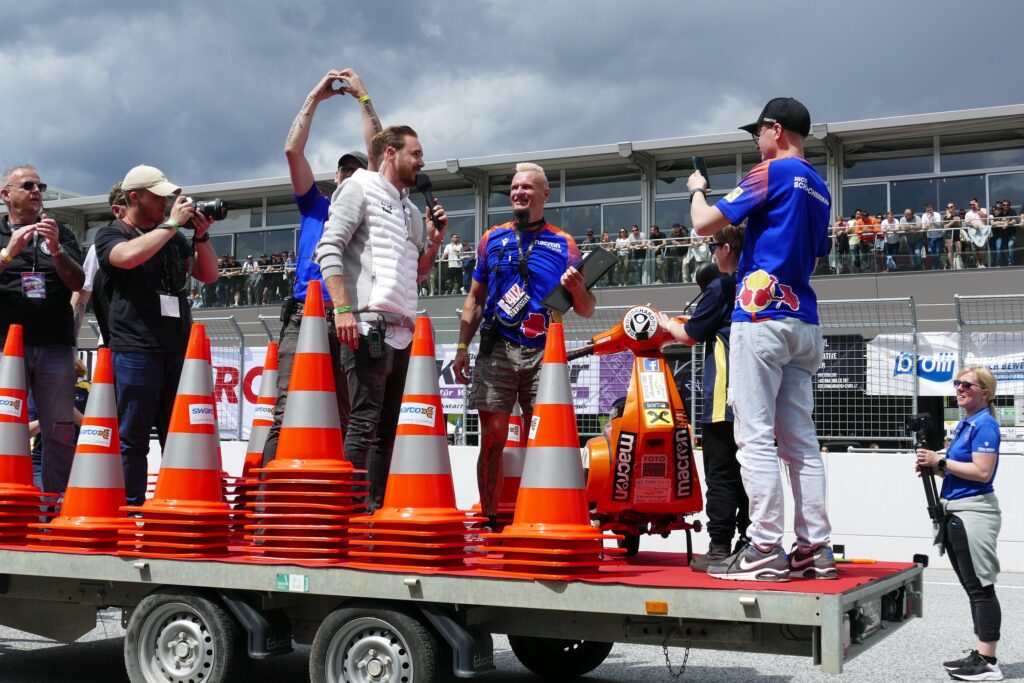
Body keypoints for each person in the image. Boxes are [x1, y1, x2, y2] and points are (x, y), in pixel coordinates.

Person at [687, 97, 834, 582]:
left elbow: (704, 224)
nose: (756, 141)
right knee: (801, 444)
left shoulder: (771, 170)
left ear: (776, 130)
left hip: (760, 314)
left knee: (754, 439)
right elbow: (814, 258)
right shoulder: (820, 187)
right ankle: (815, 548)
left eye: (758, 132)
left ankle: (766, 547)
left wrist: (697, 190)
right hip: (802, 317)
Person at [452, 162, 595, 530]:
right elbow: (475, 298)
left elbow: (586, 308)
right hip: (496, 348)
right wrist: (462, 346)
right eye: (515, 187)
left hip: (544, 354)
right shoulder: (492, 238)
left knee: (544, 438)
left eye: (527, 187)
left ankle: (546, 516)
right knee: (492, 438)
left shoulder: (564, 243)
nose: (518, 192)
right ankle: (490, 519)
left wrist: (578, 288)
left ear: (545, 194)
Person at [315, 124, 449, 511]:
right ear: (390, 153)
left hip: (402, 330)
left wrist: (434, 242)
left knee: (389, 428)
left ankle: (373, 509)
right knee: (364, 422)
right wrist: (342, 308)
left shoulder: (412, 210)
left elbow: (416, 274)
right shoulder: (358, 187)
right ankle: (350, 512)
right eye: (415, 154)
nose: (422, 162)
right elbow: (329, 248)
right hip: (368, 324)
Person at [263, 68, 381, 466]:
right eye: (343, 169)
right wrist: (314, 97)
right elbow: (292, 151)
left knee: (347, 416)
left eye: (357, 170)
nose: (349, 174)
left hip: (349, 319)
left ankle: (343, 499)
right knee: (285, 413)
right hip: (302, 317)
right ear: (335, 175)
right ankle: (267, 500)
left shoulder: (371, 209)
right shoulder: (316, 204)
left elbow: (379, 152)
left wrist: (363, 98)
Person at [95, 165, 218, 506]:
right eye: (158, 196)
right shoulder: (111, 233)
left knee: (179, 434)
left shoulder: (172, 237)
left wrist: (202, 237)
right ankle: (131, 506)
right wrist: (172, 225)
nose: (166, 202)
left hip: (177, 349)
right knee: (132, 435)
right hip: (135, 349)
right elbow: (124, 258)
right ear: (135, 197)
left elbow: (208, 275)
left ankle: (178, 504)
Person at [657, 225, 749, 571]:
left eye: (713, 246)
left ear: (726, 249)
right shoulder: (756, 284)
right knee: (750, 473)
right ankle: (752, 542)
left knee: (721, 473)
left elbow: (690, 335)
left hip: (724, 396)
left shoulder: (722, 286)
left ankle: (719, 547)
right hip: (757, 396)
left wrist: (667, 323)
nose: (711, 252)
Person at [0, 165, 85, 496]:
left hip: (55, 345)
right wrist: (8, 253)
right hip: (8, 348)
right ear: (6, 194)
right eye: (27, 185)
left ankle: (56, 503)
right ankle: (8, 499)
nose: (36, 191)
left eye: (40, 186)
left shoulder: (60, 232)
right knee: (6, 425)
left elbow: (78, 282)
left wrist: (56, 249)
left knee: (59, 428)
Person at [915, 367, 1003, 681]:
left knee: (981, 588)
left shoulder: (985, 424)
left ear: (985, 393)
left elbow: (982, 472)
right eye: (957, 384)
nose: (960, 388)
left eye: (967, 384)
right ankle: (981, 654)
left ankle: (989, 662)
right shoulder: (968, 424)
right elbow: (961, 471)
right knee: (973, 588)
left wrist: (939, 461)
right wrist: (937, 468)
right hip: (957, 511)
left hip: (973, 513)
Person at [71, 182, 126, 345]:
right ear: (117, 210)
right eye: (129, 202)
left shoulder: (159, 241)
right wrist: (71, 344)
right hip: (113, 341)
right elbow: (81, 297)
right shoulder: (99, 248)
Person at [965, 198, 989, 268]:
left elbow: (984, 217)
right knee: (974, 249)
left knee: (982, 248)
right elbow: (967, 223)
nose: (972, 206)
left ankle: (982, 263)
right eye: (970, 205)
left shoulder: (983, 210)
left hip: (982, 232)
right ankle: (978, 263)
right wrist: (973, 226)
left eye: (973, 204)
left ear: (977, 203)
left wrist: (978, 209)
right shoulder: (968, 213)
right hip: (973, 233)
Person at [921, 203, 944, 270]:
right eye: (927, 210)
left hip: (938, 236)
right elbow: (923, 227)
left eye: (930, 210)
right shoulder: (924, 216)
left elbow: (939, 225)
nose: (929, 211)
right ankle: (939, 264)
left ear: (932, 209)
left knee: (937, 252)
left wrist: (932, 221)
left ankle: (934, 267)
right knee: (930, 251)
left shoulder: (937, 214)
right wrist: (928, 225)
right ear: (925, 210)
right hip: (930, 237)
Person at [945, 202, 964, 270]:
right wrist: (952, 222)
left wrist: (957, 220)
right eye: (948, 207)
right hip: (949, 235)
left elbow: (959, 223)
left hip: (956, 234)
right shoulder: (946, 216)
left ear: (954, 207)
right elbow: (945, 226)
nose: (949, 208)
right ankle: (952, 266)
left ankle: (958, 264)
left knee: (959, 250)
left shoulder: (957, 215)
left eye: (951, 207)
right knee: (950, 251)